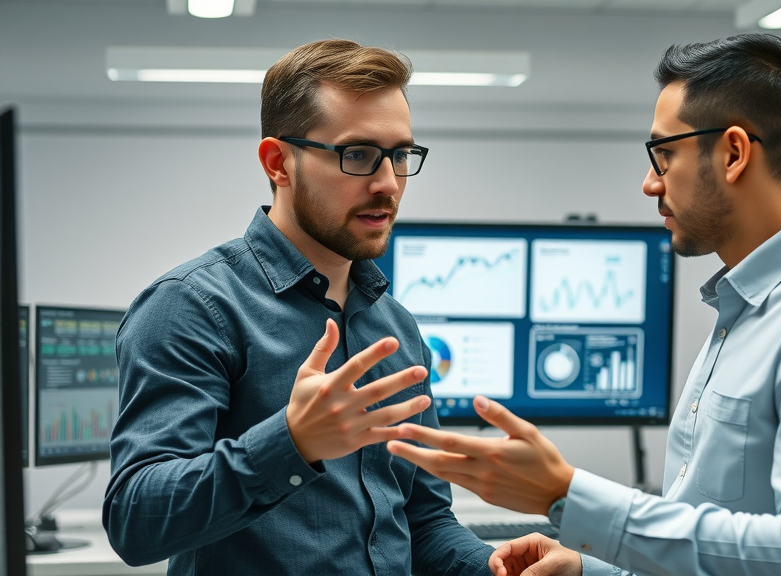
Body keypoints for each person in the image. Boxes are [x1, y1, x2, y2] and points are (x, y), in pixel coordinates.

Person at [387, 33, 781, 576]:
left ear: (734, 153)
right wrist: (584, 569)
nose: (650, 184)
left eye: (663, 154)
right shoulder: (746, 311)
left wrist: (566, 493)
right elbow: (712, 550)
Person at [103, 39, 494, 576]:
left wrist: (492, 566)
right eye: (357, 155)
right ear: (278, 162)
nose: (387, 183)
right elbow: (135, 520)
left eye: (400, 155)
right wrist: (292, 442)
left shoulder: (394, 325)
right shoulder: (190, 306)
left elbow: (423, 520)